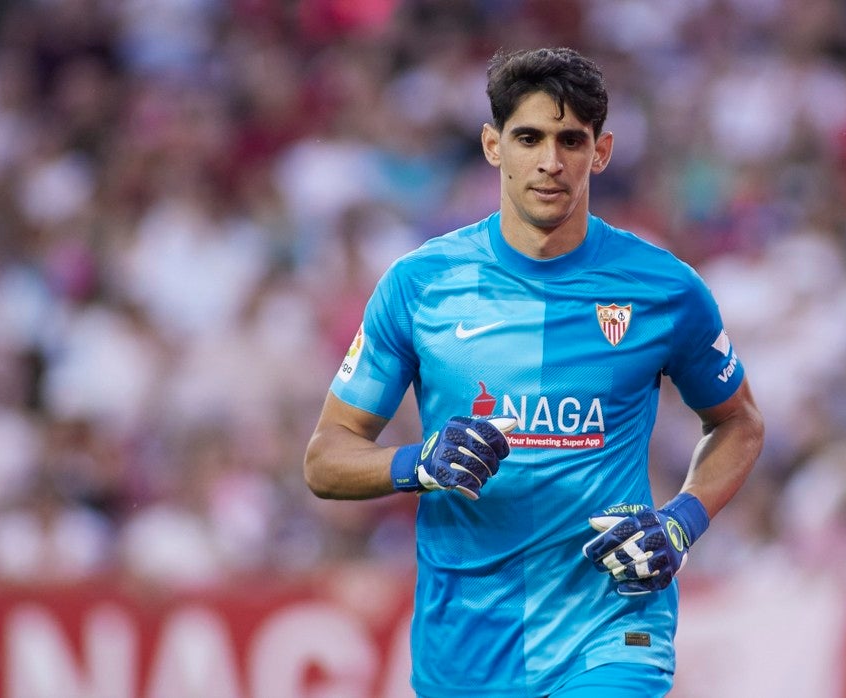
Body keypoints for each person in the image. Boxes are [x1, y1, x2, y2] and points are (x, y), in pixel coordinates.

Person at [304, 46, 764, 698]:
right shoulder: (421, 286)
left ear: (600, 152)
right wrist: (417, 464)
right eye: (529, 138)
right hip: (463, 643)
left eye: (570, 140)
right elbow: (325, 459)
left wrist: (681, 522)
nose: (550, 162)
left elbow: (739, 422)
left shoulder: (665, 289)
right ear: (494, 146)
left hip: (611, 629)